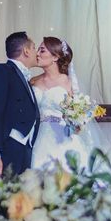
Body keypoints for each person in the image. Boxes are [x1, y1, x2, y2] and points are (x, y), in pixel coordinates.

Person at [0, 32, 40, 177]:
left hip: (24, 150)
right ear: (26, 51)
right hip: (6, 149)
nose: (36, 52)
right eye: (34, 48)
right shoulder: (1, 71)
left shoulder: (26, 78)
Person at [30, 37, 92, 169]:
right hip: (37, 136)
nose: (37, 54)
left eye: (42, 50)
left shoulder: (69, 82)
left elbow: (79, 110)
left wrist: (78, 121)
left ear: (55, 57)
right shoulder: (33, 81)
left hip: (62, 136)